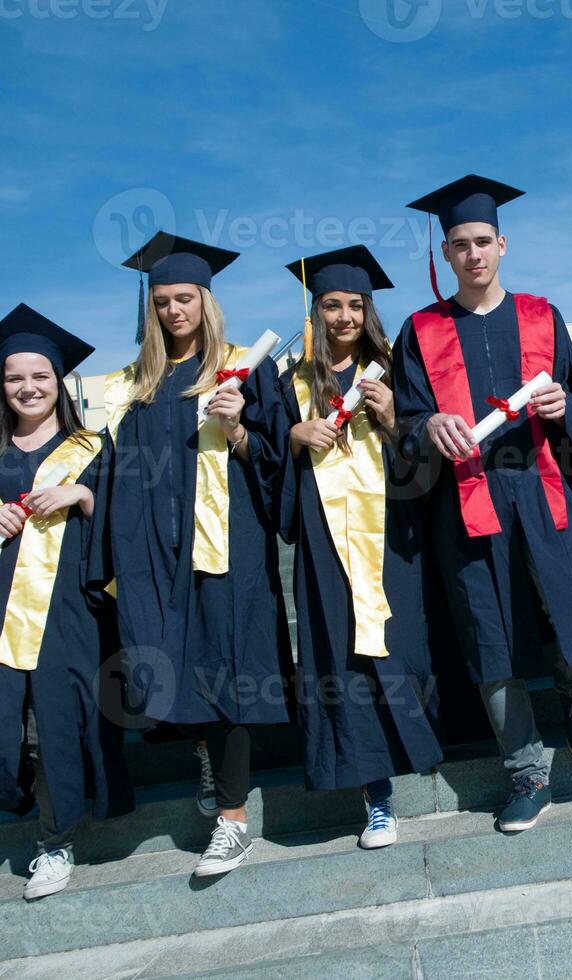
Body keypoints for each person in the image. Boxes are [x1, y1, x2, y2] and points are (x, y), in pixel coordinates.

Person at [390, 175, 572, 833]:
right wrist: (426, 426)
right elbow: (405, 418)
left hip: (543, 492)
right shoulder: (421, 330)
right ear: (446, 254)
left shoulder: (543, 315)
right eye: (459, 245)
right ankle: (526, 774)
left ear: (502, 244)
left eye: (482, 241)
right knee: (489, 638)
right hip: (467, 504)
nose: (473, 254)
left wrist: (562, 405)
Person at [104, 233, 291, 875]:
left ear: (206, 302)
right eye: (161, 302)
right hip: (154, 550)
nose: (173, 311)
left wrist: (238, 426)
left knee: (225, 668)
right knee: (165, 662)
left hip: (226, 548)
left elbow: (278, 468)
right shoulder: (134, 387)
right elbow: (114, 474)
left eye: (185, 298)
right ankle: (208, 760)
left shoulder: (246, 368)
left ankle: (233, 821)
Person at [279, 246, 443, 849]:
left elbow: (427, 458)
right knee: (341, 660)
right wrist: (294, 435)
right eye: (330, 305)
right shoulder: (290, 384)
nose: (343, 316)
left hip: (392, 535)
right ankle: (375, 794)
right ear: (315, 311)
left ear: (368, 311)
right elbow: (267, 465)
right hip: (325, 543)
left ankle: (425, 747)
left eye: (355, 305)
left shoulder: (397, 372)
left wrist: (398, 418)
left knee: (402, 643)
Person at [0, 305, 133, 900]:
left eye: (40, 376)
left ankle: (54, 842)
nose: (28, 388)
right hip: (2, 603)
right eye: (13, 378)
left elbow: (130, 527)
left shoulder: (92, 447)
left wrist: (84, 495)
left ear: (60, 382)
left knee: (56, 722)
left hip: (70, 608)